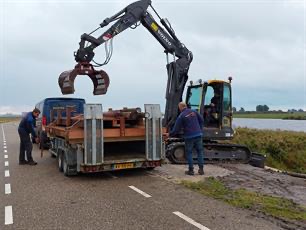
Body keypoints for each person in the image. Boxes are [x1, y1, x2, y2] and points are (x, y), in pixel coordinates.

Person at [170, 102, 204, 175]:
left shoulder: (181, 116)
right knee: (200, 152)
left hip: (189, 137)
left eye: (179, 107)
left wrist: (169, 134)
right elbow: (202, 120)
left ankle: (191, 170)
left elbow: (176, 129)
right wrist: (200, 130)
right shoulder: (194, 111)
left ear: (180, 107)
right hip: (198, 135)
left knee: (189, 153)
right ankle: (201, 170)